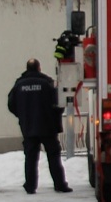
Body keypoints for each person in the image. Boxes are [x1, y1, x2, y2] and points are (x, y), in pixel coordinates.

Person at [6, 58, 71, 194]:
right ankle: (60, 184)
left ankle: (30, 186)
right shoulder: (47, 84)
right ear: (39, 68)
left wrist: (23, 116)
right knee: (53, 157)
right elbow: (59, 102)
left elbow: (11, 105)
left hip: (28, 127)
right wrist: (54, 116)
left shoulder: (19, 85)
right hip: (48, 127)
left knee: (30, 157)